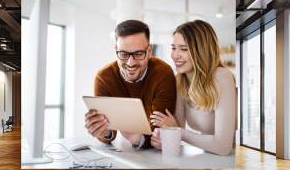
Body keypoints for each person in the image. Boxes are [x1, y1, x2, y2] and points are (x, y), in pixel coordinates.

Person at [85, 20, 176, 149]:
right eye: (123, 54)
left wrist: (138, 139)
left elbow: (160, 132)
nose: (130, 63)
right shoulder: (104, 78)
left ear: (149, 51)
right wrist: (104, 131)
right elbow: (108, 133)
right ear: (115, 50)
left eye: (139, 53)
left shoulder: (163, 74)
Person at [150, 20, 237, 156]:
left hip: (232, 158)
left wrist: (176, 131)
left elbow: (223, 147)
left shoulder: (222, 77)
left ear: (201, 52)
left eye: (184, 49)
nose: (175, 55)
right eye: (174, 48)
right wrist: (163, 138)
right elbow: (176, 130)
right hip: (208, 156)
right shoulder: (180, 80)